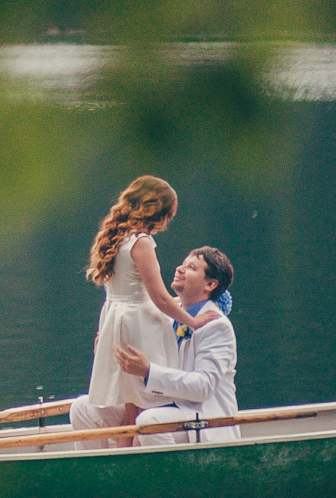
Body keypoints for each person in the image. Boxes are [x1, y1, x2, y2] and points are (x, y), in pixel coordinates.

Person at [80, 174, 211, 440]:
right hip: (139, 326)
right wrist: (193, 321)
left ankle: (125, 454)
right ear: (157, 213)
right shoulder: (141, 243)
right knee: (145, 403)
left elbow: (129, 291)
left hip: (116, 319)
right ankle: (138, 453)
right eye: (168, 216)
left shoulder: (116, 238)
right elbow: (159, 297)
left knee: (131, 407)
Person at [113, 245, 240, 441]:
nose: (180, 269)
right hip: (161, 402)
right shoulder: (166, 313)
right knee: (84, 409)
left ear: (210, 284)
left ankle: (172, 463)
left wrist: (149, 372)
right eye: (183, 264)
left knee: (150, 422)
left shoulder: (216, 326)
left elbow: (203, 387)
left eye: (191, 267)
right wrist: (113, 348)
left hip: (203, 417)